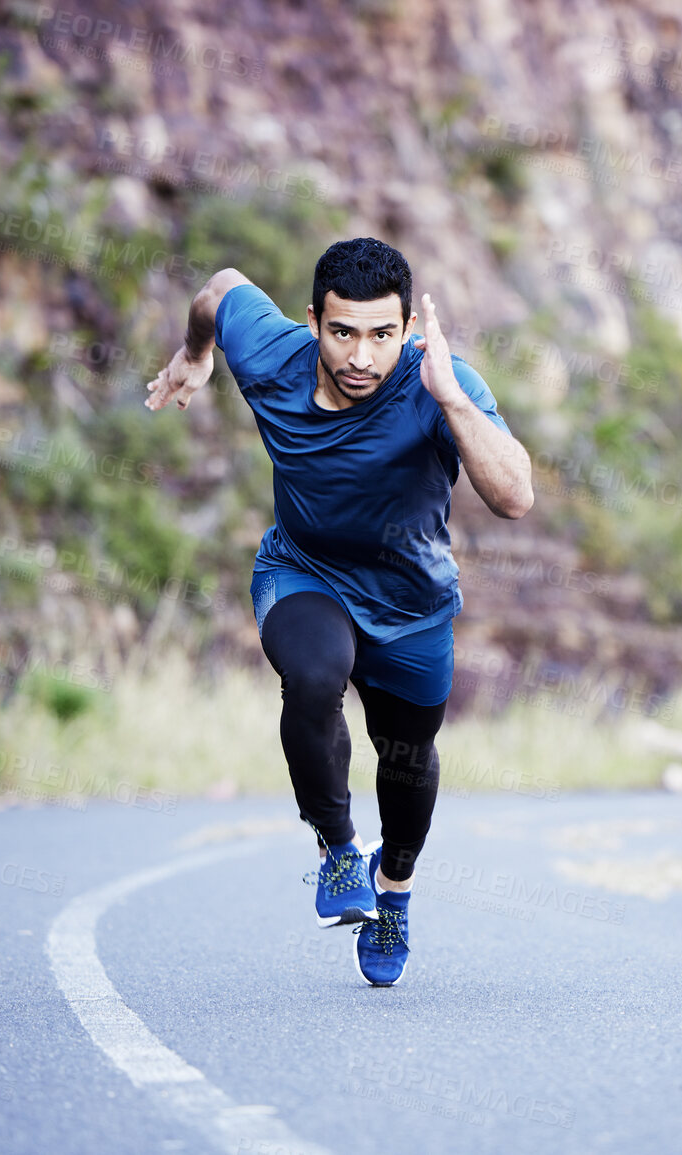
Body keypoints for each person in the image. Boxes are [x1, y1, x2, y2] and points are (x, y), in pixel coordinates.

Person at [144, 237, 533, 985]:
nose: (361, 356)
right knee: (314, 676)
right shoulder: (270, 356)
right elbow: (219, 289)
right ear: (311, 319)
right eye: (342, 331)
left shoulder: (435, 382)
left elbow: (514, 496)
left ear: (406, 330)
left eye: (382, 334)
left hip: (412, 603)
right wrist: (197, 351)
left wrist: (451, 399)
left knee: (407, 762)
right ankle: (335, 848)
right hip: (303, 571)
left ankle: (394, 891)